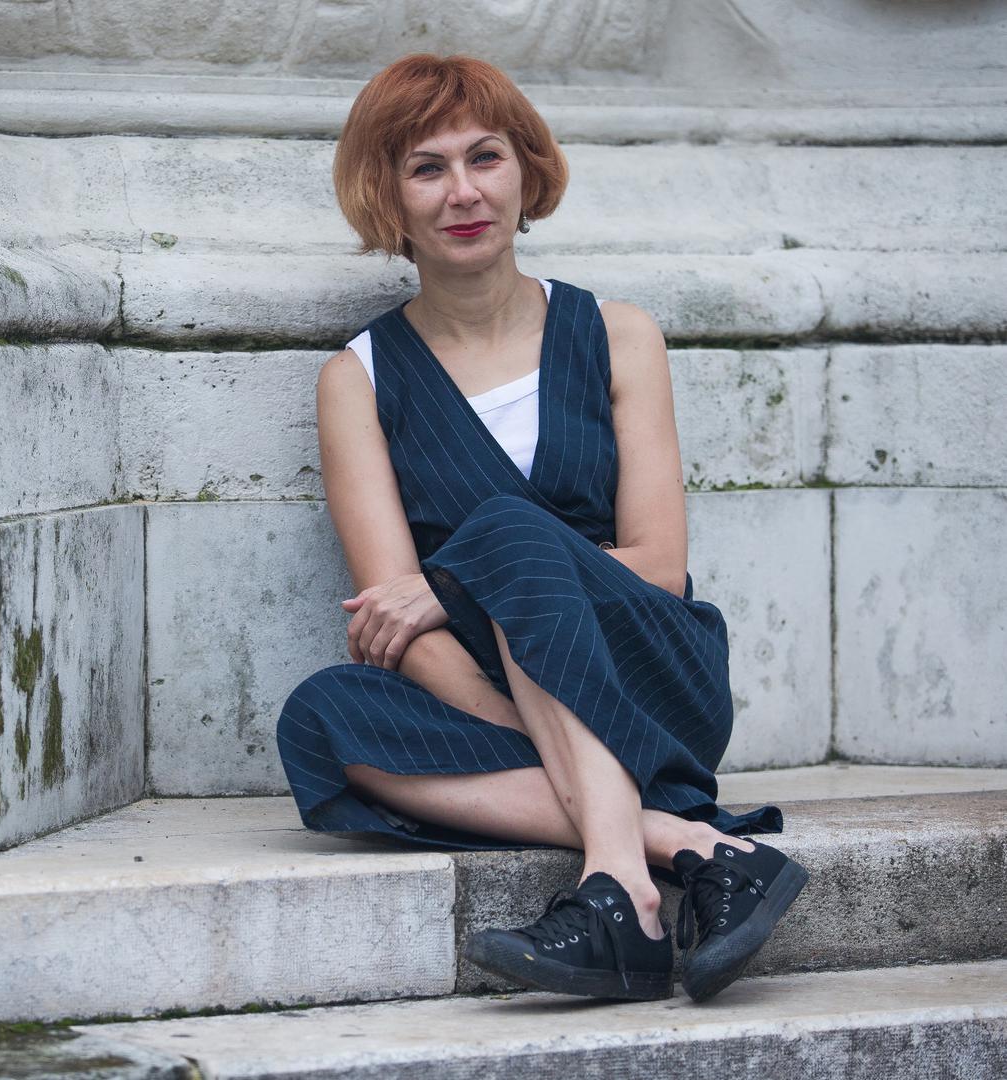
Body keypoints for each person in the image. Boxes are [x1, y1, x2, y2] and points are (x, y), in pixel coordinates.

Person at [274, 54, 807, 1004]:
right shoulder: (357, 379)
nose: (463, 192)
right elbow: (392, 624)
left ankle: (619, 895)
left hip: (652, 677)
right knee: (321, 717)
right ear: (388, 196)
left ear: (526, 171)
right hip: (493, 708)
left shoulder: (618, 335)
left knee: (507, 534)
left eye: (485, 157)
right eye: (427, 168)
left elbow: (659, 568)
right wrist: (537, 712)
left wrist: (459, 581)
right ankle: (692, 845)